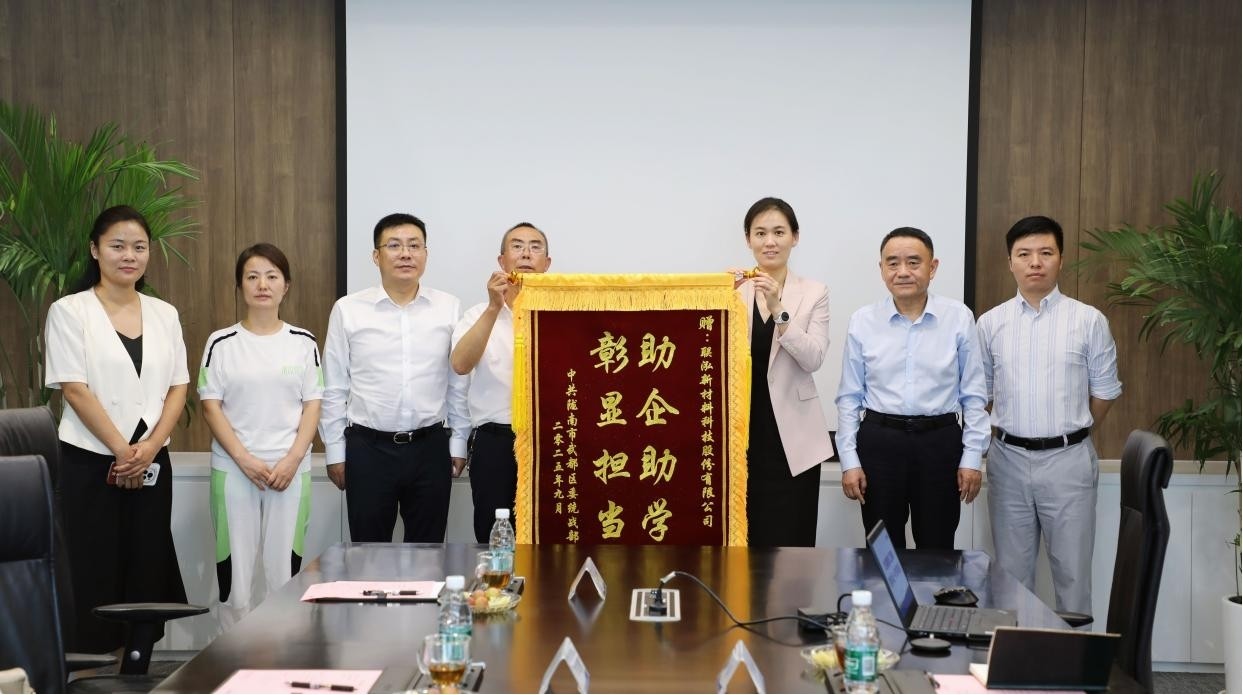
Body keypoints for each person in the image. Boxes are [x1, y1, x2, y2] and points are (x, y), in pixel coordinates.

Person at [43, 205, 189, 652]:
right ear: (95, 250)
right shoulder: (70, 311)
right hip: (90, 461)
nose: (129, 255)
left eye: (139, 247)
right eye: (118, 246)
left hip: (152, 460)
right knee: (94, 565)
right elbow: (75, 389)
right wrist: (124, 452)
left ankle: (136, 664)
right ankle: (90, 666)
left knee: (146, 564)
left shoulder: (164, 313)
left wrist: (151, 446)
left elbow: (179, 386)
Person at [978, 215, 1121, 614]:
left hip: (1068, 461)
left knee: (1073, 578)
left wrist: (1070, 434)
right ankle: (1015, 655)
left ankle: (1076, 657)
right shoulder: (990, 323)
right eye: (1024, 254)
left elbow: (1104, 393)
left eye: (1045, 253)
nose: (1035, 262)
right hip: (1007, 459)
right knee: (1011, 580)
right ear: (1010, 262)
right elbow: (981, 395)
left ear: (1061, 259)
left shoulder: (1088, 320)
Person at [835, 227, 988, 550]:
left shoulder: (958, 318)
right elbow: (849, 397)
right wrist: (849, 461)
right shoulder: (863, 320)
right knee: (882, 552)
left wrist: (972, 457)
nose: (902, 271)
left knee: (938, 550)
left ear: (933, 267)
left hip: (939, 444)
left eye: (913, 262)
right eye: (892, 263)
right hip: (879, 443)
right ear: (881, 269)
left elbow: (974, 396)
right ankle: (886, 588)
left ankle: (933, 589)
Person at [320, 213, 469, 542]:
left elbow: (458, 384)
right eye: (394, 245)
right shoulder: (348, 309)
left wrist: (459, 443)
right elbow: (333, 388)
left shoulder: (448, 307)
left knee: (429, 554)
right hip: (368, 450)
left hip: (430, 448)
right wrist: (335, 452)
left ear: (425, 254)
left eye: (414, 246)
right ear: (376, 256)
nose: (405, 254)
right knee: (368, 554)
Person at [198, 243, 323, 630]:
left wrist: (292, 459)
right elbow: (210, 406)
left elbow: (313, 405)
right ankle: (230, 658)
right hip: (235, 471)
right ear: (240, 286)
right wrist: (244, 459)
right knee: (234, 581)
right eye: (252, 277)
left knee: (284, 576)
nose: (262, 285)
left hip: (290, 472)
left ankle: (282, 656)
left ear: (287, 285)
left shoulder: (303, 342)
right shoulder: (221, 343)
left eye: (272, 276)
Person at [733, 197, 832, 547]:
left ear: (795, 237)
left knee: (792, 542)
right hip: (742, 436)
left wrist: (778, 309)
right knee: (742, 541)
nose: (769, 242)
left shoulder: (814, 292)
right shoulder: (732, 290)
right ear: (748, 239)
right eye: (760, 233)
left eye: (779, 232)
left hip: (794, 438)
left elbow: (813, 358)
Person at [450, 222, 553, 542]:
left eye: (535, 247)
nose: (526, 254)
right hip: (495, 442)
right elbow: (460, 364)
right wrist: (494, 307)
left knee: (550, 534)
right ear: (502, 260)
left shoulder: (562, 317)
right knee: (493, 535)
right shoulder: (478, 314)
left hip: (549, 441)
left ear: (547, 264)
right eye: (517, 246)